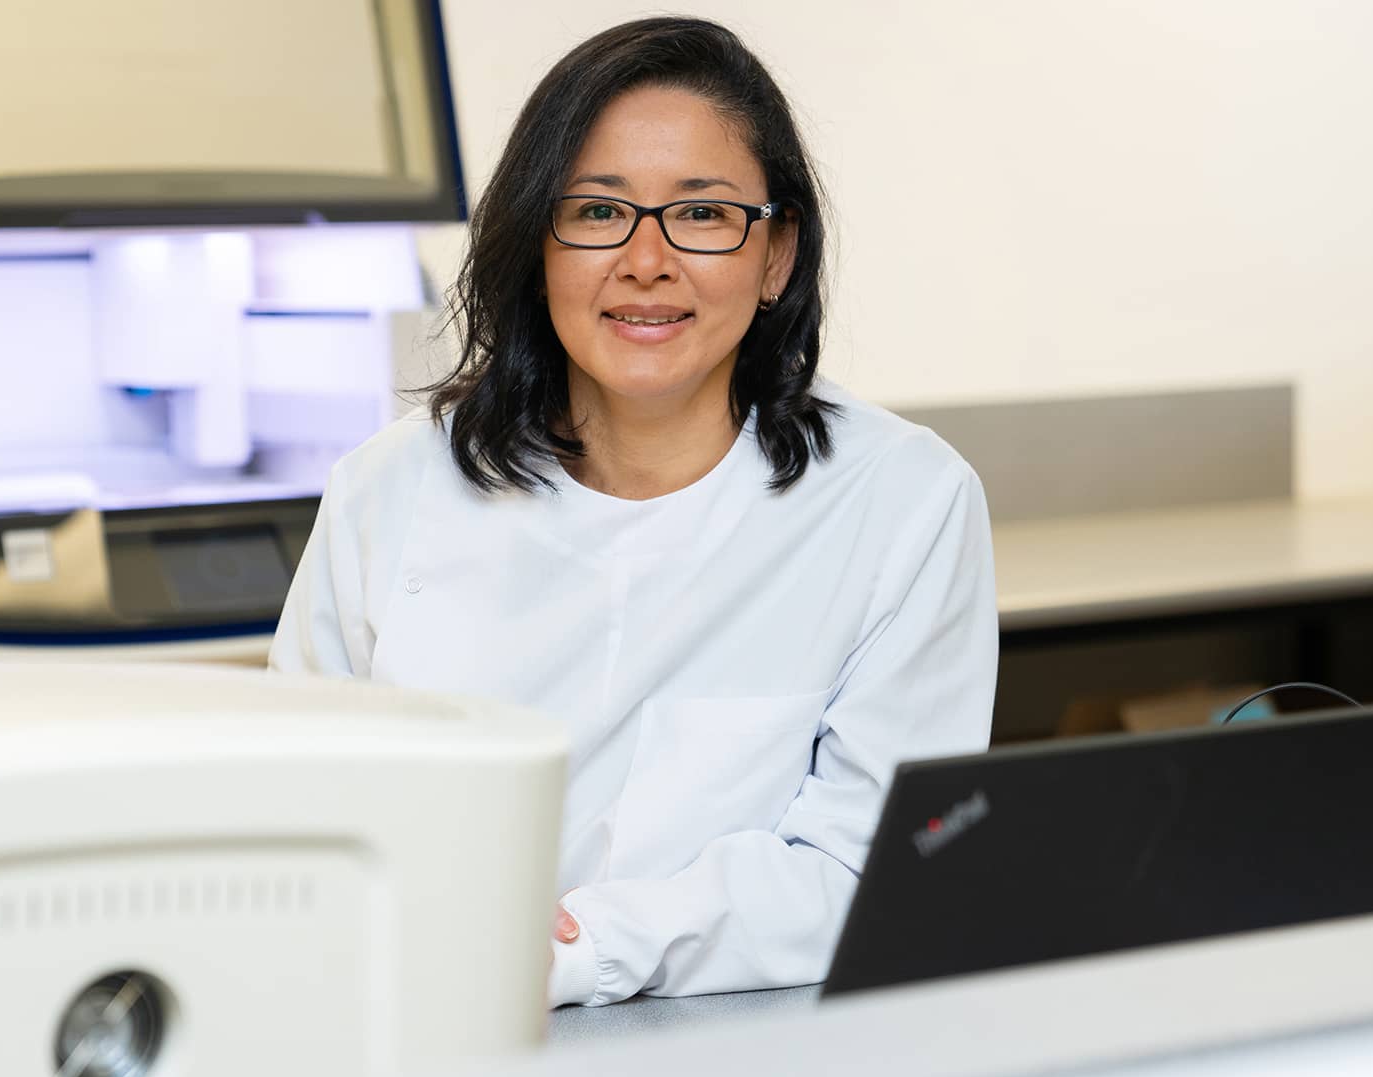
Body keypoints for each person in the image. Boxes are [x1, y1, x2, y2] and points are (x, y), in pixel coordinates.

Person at [269, 16, 997, 1007]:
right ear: (538, 245)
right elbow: (294, 826)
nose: (646, 261)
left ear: (775, 255)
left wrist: (569, 951)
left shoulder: (903, 502)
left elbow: (869, 868)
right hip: (417, 1020)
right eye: (599, 212)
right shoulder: (385, 493)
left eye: (702, 217)